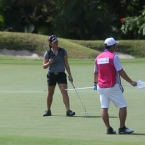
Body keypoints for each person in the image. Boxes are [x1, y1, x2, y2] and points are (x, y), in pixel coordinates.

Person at [94, 37, 137, 134]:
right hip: (112, 86)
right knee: (123, 106)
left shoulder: (98, 57)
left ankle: (108, 129)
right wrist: (131, 81)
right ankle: (122, 128)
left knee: (104, 107)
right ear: (112, 46)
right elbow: (120, 71)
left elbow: (95, 73)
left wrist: (94, 83)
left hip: (100, 86)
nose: (116, 47)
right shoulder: (114, 57)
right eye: (115, 45)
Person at [42, 35, 75, 117]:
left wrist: (70, 75)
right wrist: (49, 63)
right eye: (54, 42)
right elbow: (44, 66)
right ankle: (48, 110)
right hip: (51, 74)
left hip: (61, 74)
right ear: (50, 44)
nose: (56, 43)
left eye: (57, 41)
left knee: (64, 91)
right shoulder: (48, 53)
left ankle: (68, 110)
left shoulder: (63, 51)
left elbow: (66, 64)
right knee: (50, 93)